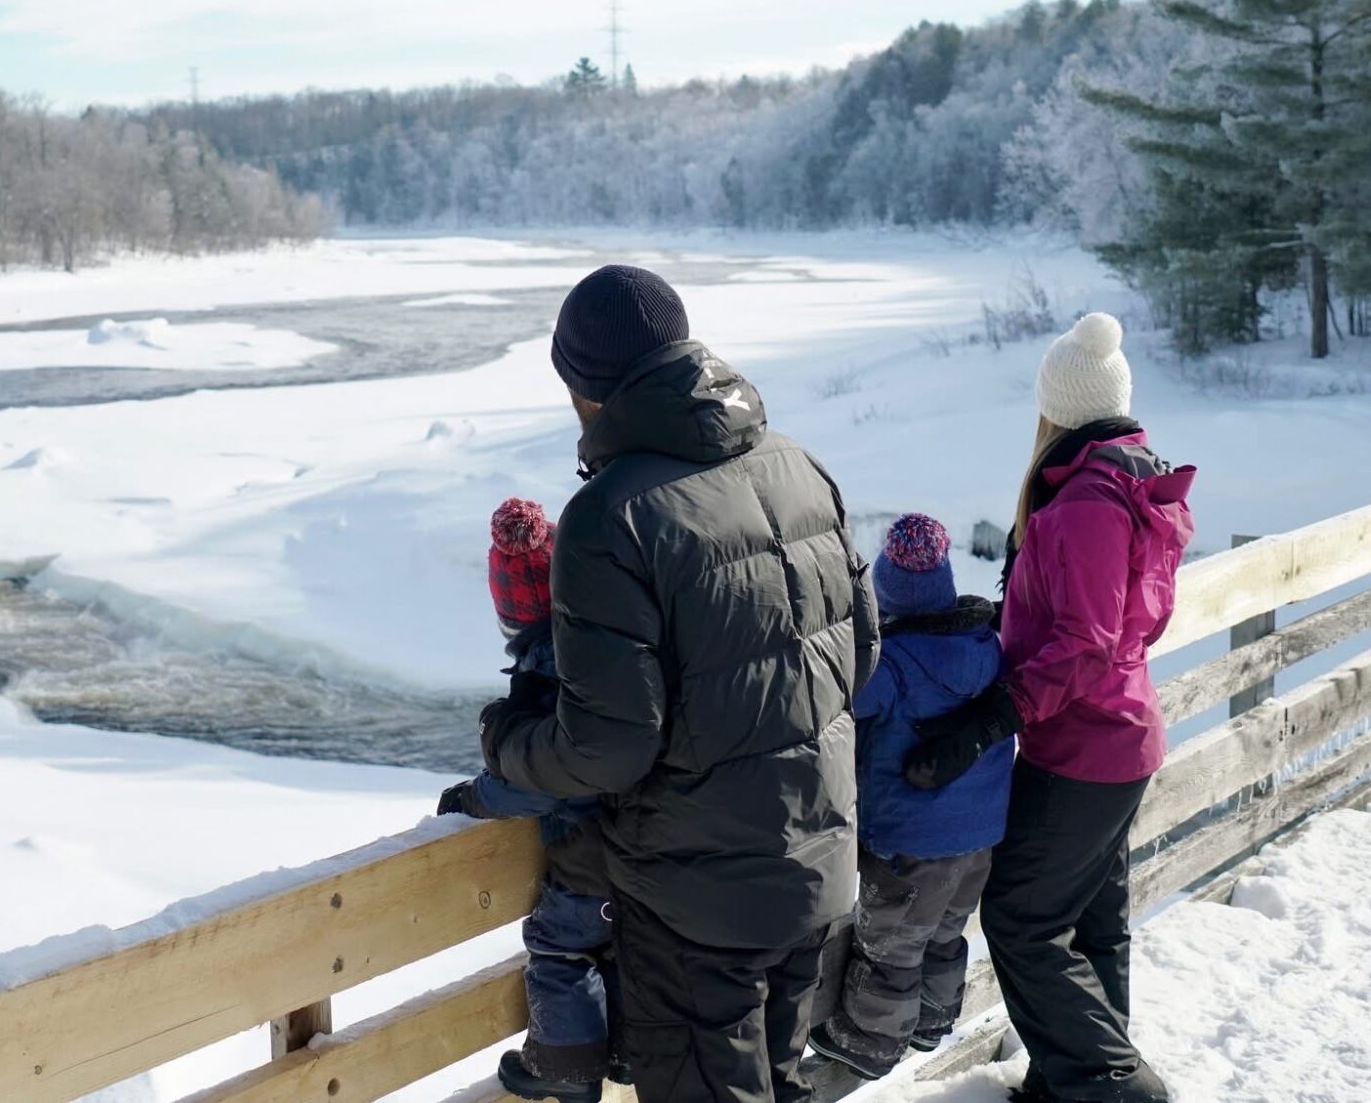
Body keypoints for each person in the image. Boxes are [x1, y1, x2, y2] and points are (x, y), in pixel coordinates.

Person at [483, 264, 879, 1103]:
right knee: (776, 1081)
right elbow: (862, 654)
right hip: (817, 860)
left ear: (583, 387)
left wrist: (508, 741)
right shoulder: (799, 465)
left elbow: (608, 746)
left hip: (699, 903)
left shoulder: (610, 518)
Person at [904, 312, 1195, 1103]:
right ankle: (1073, 1082)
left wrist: (996, 713)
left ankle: (1112, 1086)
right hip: (1113, 736)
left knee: (1022, 918)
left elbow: (1088, 639)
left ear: (1056, 408)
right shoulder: (1127, 480)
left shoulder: (1090, 503)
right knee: (1093, 922)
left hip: (1086, 745)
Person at [808, 513, 1011, 1082]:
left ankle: (871, 1039)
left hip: (909, 842)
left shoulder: (888, 664)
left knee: (892, 942)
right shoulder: (986, 645)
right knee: (945, 929)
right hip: (980, 838)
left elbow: (836, 707)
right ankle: (934, 1016)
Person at [436, 497, 620, 1103]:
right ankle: (620, 1051)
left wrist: (474, 798)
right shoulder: (612, 643)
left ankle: (566, 1068)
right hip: (646, 839)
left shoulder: (547, 678)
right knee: (622, 946)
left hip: (593, 856)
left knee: (560, 947)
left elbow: (537, 780)